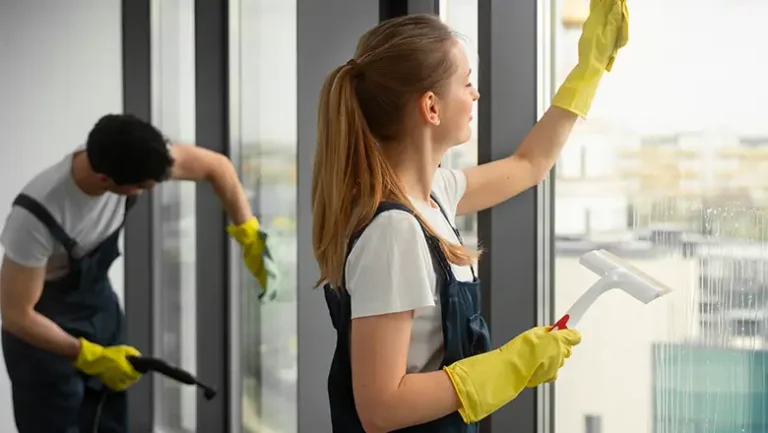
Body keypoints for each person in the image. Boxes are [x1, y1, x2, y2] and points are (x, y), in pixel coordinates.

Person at [311, 1, 628, 432]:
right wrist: (509, 366)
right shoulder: (394, 230)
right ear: (431, 107)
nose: (476, 94)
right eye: (467, 83)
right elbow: (380, 407)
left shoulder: (432, 196)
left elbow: (528, 165)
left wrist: (587, 70)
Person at [0, 113, 276, 433]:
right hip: (41, 337)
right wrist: (87, 355)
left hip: (100, 311)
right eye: (143, 187)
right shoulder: (36, 214)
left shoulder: (136, 153)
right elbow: (16, 314)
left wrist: (250, 236)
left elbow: (218, 168)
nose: (152, 190)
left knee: (110, 423)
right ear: (106, 180)